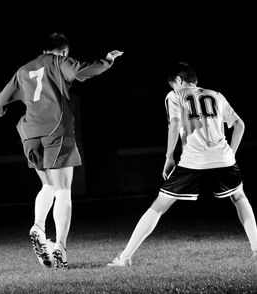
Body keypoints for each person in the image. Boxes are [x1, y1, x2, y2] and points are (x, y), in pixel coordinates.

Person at [0, 32, 123, 270]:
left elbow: (1, 99)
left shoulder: (23, 70)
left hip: (29, 133)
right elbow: (80, 72)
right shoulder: (58, 61)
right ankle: (60, 249)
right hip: (56, 130)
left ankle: (38, 227)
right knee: (64, 190)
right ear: (63, 52)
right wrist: (107, 61)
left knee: (48, 186)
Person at [108, 61, 257, 267]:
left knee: (159, 206)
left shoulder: (175, 96)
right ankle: (256, 249)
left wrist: (169, 157)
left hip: (192, 161)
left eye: (173, 84)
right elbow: (240, 125)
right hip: (223, 159)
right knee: (239, 197)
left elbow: (175, 123)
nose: (173, 88)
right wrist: (230, 154)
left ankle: (124, 257)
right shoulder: (216, 95)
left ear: (179, 80)